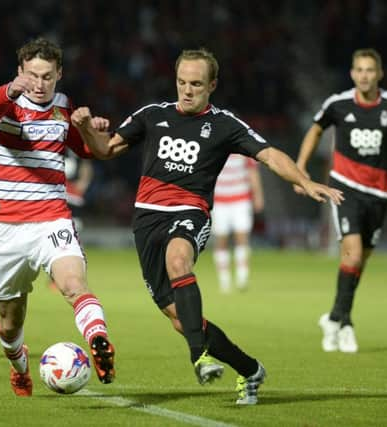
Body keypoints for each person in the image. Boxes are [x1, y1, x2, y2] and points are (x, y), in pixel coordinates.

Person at [71, 48, 343, 405]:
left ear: (212, 85)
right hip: (146, 221)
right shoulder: (153, 115)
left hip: (189, 211)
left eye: (196, 84)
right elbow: (104, 150)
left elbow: (269, 154)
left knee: (178, 260)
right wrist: (84, 129)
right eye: (182, 82)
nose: (187, 90)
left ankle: (198, 356)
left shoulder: (224, 124)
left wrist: (305, 181)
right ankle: (250, 370)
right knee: (181, 319)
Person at [0, 37, 115, 397]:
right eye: (33, 76)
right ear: (21, 72)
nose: (39, 85)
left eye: (48, 77)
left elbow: (87, 150)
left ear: (59, 75)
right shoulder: (5, 106)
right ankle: (19, 366)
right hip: (5, 225)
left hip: (51, 217)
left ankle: (99, 339)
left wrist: (90, 126)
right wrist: (11, 89)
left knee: (73, 284)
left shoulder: (63, 107)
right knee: (10, 323)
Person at [295, 48, 387, 353]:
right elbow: (315, 129)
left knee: (359, 262)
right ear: (352, 74)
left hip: (379, 193)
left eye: (369, 70)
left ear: (379, 74)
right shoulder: (337, 104)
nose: (364, 75)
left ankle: (335, 318)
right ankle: (346, 323)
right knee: (351, 254)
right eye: (359, 70)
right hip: (344, 188)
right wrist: (300, 168)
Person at [211, 154, 264, 292]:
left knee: (242, 238)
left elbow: (253, 172)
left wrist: (258, 195)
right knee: (221, 240)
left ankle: (242, 278)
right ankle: (224, 280)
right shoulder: (217, 146)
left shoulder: (243, 148)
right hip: (219, 201)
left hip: (241, 199)